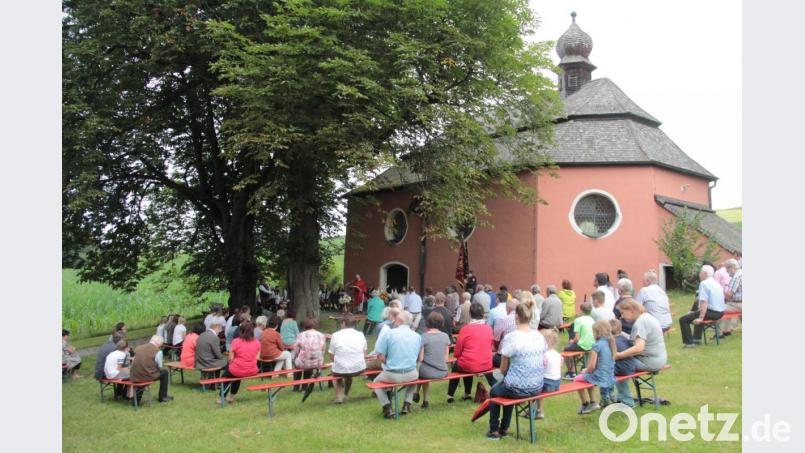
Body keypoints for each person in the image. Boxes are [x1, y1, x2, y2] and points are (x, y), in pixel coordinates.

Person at [486, 298, 547, 440]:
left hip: (519, 387)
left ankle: (494, 430)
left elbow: (502, 368)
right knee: (508, 385)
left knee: (495, 390)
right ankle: (505, 428)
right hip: (537, 385)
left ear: (516, 317)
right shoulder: (539, 335)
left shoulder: (512, 337)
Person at [614, 300, 668, 406]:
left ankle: (625, 400)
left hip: (649, 361)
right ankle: (621, 397)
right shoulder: (648, 317)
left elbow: (639, 348)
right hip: (659, 358)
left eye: (623, 313)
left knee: (618, 366)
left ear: (632, 310)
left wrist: (619, 355)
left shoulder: (640, 323)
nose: (621, 317)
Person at [372, 311, 422, 418]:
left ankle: (387, 407)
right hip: (411, 373)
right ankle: (407, 404)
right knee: (414, 380)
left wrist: (388, 362)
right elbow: (418, 357)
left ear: (399, 321)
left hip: (392, 374)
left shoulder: (389, 333)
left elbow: (380, 354)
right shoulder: (417, 336)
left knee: (375, 383)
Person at [447, 302, 495, 402]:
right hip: (486, 363)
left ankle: (450, 395)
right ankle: (467, 394)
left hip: (470, 364)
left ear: (470, 314)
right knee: (465, 363)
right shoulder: (489, 329)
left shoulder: (465, 329)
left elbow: (457, 352)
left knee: (458, 366)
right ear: (483, 314)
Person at [574, 320, 617, 414]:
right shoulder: (610, 342)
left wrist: (585, 370)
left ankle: (586, 403)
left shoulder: (596, 346)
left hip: (599, 376)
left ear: (597, 332)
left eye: (593, 332)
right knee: (588, 376)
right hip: (610, 374)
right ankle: (600, 400)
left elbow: (591, 366)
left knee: (577, 379)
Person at [680, 265, 726, 347]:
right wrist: (696, 313)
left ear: (705, 273)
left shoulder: (704, 284)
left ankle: (689, 343)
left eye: (700, 272)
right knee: (697, 313)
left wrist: (700, 318)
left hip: (712, 312)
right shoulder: (716, 283)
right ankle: (696, 339)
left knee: (683, 319)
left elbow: (704, 302)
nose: (699, 274)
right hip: (720, 312)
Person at [329, 313, 367, 404]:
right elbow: (364, 353)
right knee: (346, 369)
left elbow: (331, 355)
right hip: (359, 368)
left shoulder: (335, 335)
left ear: (343, 323)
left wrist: (340, 361)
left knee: (336, 371)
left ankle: (339, 396)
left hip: (342, 368)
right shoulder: (360, 334)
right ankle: (345, 394)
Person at [219, 320, 260, 404]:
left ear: (241, 330)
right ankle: (231, 396)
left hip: (237, 369)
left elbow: (230, 359)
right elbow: (258, 358)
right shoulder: (257, 342)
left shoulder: (236, 341)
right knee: (236, 374)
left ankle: (221, 397)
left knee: (228, 376)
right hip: (252, 370)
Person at [415, 311, 451, 408]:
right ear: (441, 323)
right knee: (424, 371)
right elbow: (446, 358)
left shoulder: (423, 336)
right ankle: (424, 400)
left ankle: (419, 394)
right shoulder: (445, 336)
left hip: (427, 372)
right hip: (443, 371)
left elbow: (421, 358)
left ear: (428, 322)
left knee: (421, 369)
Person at [130, 335, 172, 404]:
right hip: (146, 376)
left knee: (144, 372)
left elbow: (134, 361)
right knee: (165, 372)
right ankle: (163, 396)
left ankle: (136, 401)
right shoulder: (158, 352)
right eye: (160, 345)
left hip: (134, 375)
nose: (160, 347)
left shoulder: (138, 348)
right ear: (158, 343)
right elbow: (160, 366)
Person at [292, 318, 327, 392]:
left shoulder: (300, 335)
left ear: (304, 326)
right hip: (317, 362)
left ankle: (296, 386)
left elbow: (296, 350)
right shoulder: (321, 335)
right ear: (314, 326)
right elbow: (323, 350)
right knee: (309, 363)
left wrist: (294, 358)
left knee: (298, 363)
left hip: (304, 362)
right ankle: (304, 387)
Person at [563, 302, 595, 378]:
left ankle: (571, 372)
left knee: (565, 350)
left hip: (583, 345)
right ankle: (582, 368)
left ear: (581, 310)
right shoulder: (592, 320)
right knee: (572, 347)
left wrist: (572, 341)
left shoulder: (578, 320)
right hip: (592, 345)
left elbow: (577, 338)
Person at [535, 329, 562, 419]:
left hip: (547, 385)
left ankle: (537, 410)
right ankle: (537, 410)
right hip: (557, 384)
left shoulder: (544, 355)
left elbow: (539, 370)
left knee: (533, 386)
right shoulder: (558, 355)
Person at [719, 259, 743, 336]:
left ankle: (719, 333)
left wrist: (721, 292)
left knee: (719, 308)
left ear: (732, 267)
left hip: (739, 304)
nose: (726, 271)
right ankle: (726, 330)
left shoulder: (736, 277)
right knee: (727, 305)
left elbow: (729, 295)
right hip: (739, 303)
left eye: (727, 269)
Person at [492, 298, 519, 366]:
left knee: (487, 361)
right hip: (519, 355)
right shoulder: (523, 320)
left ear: (508, 308)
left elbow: (496, 340)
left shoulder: (503, 320)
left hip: (505, 356)